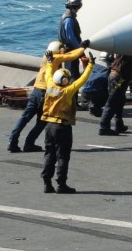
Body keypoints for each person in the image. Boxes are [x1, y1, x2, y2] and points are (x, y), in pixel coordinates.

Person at [7, 40, 87, 153]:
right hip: (44, 93)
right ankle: (29, 143)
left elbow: (66, 55)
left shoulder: (47, 57)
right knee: (42, 120)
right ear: (58, 50)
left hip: (35, 91)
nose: (63, 50)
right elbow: (71, 56)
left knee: (25, 117)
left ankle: (12, 141)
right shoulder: (56, 58)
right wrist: (83, 47)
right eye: (61, 48)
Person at [40, 53, 94, 193]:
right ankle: (61, 184)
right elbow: (82, 80)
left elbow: (48, 73)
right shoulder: (67, 91)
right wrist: (90, 65)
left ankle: (47, 183)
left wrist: (50, 62)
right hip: (62, 126)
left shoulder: (50, 85)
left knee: (49, 155)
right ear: (65, 80)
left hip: (49, 126)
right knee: (62, 156)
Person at [99, 54, 132, 135]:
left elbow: (127, 68)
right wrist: (128, 82)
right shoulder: (129, 51)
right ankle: (104, 127)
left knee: (120, 100)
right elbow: (125, 68)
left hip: (120, 78)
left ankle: (119, 125)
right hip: (119, 79)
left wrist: (129, 83)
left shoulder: (128, 50)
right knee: (113, 101)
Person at [78, 52, 112, 117]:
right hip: (94, 92)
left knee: (98, 89)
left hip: (84, 91)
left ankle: (90, 104)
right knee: (109, 94)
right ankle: (95, 108)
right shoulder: (108, 70)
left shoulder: (95, 65)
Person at [57, 0, 84, 76]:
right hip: (70, 51)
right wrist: (80, 49)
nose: (77, 9)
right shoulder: (69, 19)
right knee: (72, 74)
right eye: (76, 7)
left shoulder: (69, 16)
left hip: (70, 50)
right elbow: (70, 37)